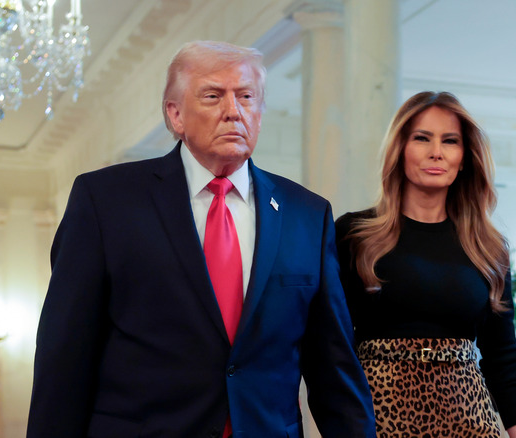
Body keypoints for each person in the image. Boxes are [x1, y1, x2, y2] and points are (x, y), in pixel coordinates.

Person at [27, 41, 376, 438]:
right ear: (175, 115)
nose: (233, 110)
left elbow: (333, 365)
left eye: (247, 97)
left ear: (260, 113)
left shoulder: (307, 214)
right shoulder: (105, 202)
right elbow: (65, 359)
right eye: (213, 96)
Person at [336, 91, 516, 438]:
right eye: (422, 138)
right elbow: (330, 346)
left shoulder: (488, 247)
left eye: (450, 141)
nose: (436, 152)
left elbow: (503, 359)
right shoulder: (354, 234)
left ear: (464, 158)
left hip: (470, 422)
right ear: (400, 149)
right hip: (377, 420)